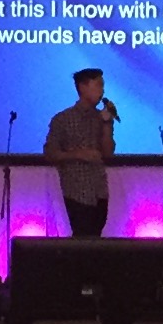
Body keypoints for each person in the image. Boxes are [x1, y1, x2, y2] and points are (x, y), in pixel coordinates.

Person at [44, 67, 117, 239]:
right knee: (82, 238)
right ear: (83, 87)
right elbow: (50, 153)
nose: (102, 91)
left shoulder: (101, 117)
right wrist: (78, 154)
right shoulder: (63, 119)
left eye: (103, 86)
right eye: (98, 85)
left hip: (99, 190)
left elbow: (108, 153)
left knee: (96, 238)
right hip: (76, 191)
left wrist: (108, 124)